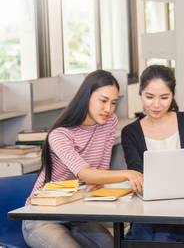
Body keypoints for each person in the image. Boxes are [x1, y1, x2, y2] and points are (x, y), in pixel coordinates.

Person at [22, 70, 144, 248]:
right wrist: (128, 174)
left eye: (113, 103)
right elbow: (88, 175)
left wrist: (99, 182)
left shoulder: (110, 122)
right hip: (42, 216)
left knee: (113, 246)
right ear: (86, 97)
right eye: (103, 101)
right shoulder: (60, 135)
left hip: (79, 213)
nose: (108, 109)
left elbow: (99, 175)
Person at [121, 64, 184, 242]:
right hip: (148, 210)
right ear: (140, 94)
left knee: (158, 238)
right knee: (154, 237)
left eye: (164, 97)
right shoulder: (130, 132)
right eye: (149, 97)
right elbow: (137, 174)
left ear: (173, 95)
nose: (156, 105)